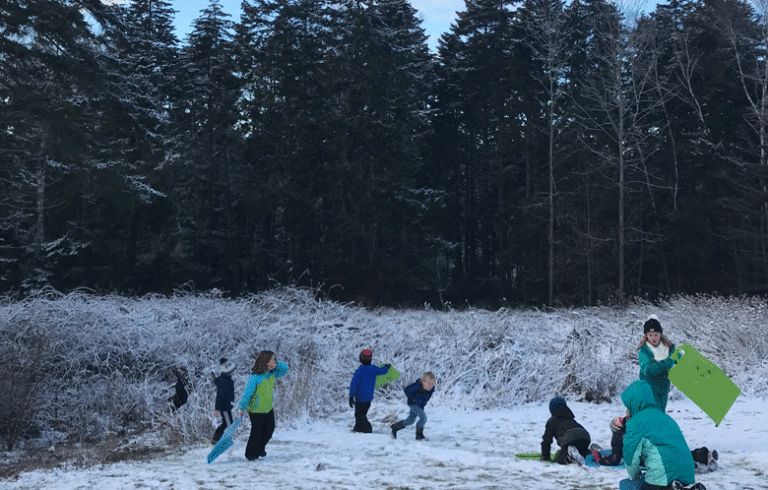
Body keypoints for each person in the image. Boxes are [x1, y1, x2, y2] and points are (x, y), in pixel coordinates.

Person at [621, 379, 702, 490]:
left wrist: (635, 475)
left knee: (636, 486)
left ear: (632, 403)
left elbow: (630, 456)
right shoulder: (664, 417)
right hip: (687, 471)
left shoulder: (635, 422)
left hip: (663, 474)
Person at [592, 415, 719, 474]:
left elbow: (615, 459)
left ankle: (695, 466)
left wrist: (600, 459)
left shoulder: (617, 439)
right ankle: (701, 453)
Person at [238, 350, 289, 461]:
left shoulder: (272, 374)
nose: (275, 363)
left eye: (275, 360)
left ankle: (260, 448)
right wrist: (242, 407)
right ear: (264, 361)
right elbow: (247, 393)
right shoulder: (254, 377)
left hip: (268, 409)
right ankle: (251, 454)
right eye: (272, 360)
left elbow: (285, 369)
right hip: (256, 411)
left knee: (269, 430)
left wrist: (275, 364)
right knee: (257, 432)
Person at [638, 315, 676, 412]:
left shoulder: (668, 348)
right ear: (646, 335)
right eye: (650, 335)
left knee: (661, 412)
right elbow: (649, 370)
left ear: (660, 334)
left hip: (663, 387)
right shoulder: (644, 351)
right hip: (649, 388)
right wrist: (667, 362)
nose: (653, 338)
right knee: (654, 413)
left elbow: (677, 360)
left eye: (656, 334)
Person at [540, 396, 591, 465]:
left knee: (561, 460)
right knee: (582, 451)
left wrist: (545, 457)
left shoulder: (552, 421)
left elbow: (547, 441)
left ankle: (570, 454)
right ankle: (592, 453)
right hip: (584, 436)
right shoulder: (570, 418)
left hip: (570, 438)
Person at [348, 348, 389, 433]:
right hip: (369, 398)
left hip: (360, 398)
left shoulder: (359, 371)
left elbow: (354, 385)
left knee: (359, 415)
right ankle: (357, 428)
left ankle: (367, 428)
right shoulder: (373, 369)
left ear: (360, 359)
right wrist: (387, 367)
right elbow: (382, 371)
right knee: (361, 414)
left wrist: (351, 396)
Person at [390, 372, 436, 440]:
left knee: (410, 421)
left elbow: (426, 398)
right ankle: (419, 436)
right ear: (423, 382)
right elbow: (407, 390)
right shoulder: (417, 386)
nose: (430, 385)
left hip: (420, 406)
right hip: (413, 404)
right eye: (429, 383)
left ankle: (395, 427)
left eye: (432, 383)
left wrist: (422, 405)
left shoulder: (431, 389)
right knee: (423, 418)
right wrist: (411, 399)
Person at [211, 357, 236, 445]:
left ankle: (218, 439)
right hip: (224, 407)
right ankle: (217, 439)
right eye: (232, 370)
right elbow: (220, 396)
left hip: (227, 406)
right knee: (229, 424)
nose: (233, 372)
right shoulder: (224, 381)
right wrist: (217, 409)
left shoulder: (228, 380)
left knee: (228, 423)